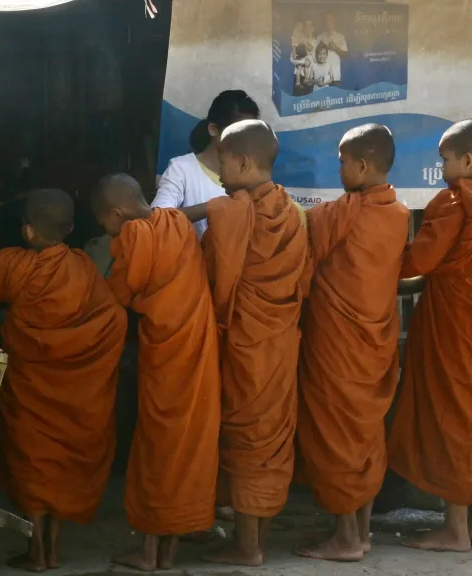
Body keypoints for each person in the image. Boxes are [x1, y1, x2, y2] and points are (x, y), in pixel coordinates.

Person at [0, 189, 127, 573]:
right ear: (68, 228)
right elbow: (114, 318)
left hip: (32, 385)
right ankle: (52, 548)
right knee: (61, 465)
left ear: (29, 230)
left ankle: (37, 553)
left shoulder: (13, 265)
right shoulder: (83, 268)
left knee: (34, 462)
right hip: (75, 392)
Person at [387, 119, 472, 552]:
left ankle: (455, 529)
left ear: (467, 160)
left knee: (454, 418)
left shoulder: (454, 202)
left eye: (444, 158)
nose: (441, 166)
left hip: (457, 327)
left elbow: (418, 260)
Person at [190, 119, 307, 566]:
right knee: (270, 436)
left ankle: (247, 546)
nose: (220, 174)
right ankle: (259, 540)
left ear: (242, 161)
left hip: (244, 340)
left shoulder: (233, 210)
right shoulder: (293, 213)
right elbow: (305, 278)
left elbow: (217, 276)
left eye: (221, 162)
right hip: (279, 340)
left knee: (245, 435)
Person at [91, 174, 221, 571]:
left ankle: (149, 552)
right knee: (189, 446)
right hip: (198, 350)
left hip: (166, 358)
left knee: (157, 448)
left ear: (115, 214)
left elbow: (120, 292)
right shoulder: (178, 223)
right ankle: (168, 551)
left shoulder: (134, 237)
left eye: (105, 225)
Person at [295, 124, 409, 561]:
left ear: (362, 166)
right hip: (375, 340)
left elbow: (299, 241)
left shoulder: (342, 213)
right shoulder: (398, 214)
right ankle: (361, 531)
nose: (338, 168)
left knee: (336, 435)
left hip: (339, 343)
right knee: (364, 435)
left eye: (342, 161)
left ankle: (345, 538)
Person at [152, 90, 259, 239]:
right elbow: (157, 219)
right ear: (213, 129)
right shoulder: (181, 169)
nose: (245, 140)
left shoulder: (251, 177)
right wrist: (213, 207)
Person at [316, 12, 347, 84]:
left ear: (334, 21)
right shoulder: (319, 37)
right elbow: (315, 56)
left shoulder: (340, 37)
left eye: (331, 19)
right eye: (327, 20)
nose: (329, 22)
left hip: (335, 76)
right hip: (322, 77)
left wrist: (336, 48)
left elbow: (345, 55)